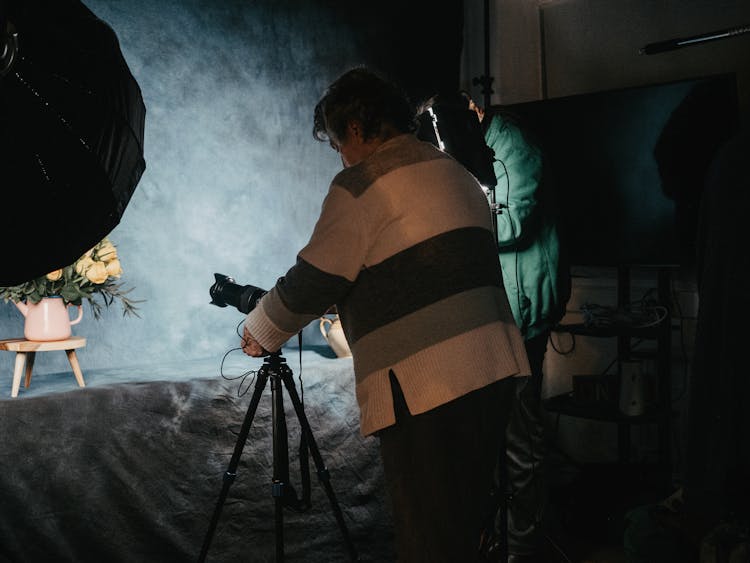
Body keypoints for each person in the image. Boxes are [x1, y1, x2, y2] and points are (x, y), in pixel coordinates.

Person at [240, 66, 531, 562]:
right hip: (494, 369)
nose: (339, 155)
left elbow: (314, 278)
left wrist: (259, 329)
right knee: (465, 526)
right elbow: (421, 268)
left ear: (354, 129)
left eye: (336, 144)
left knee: (429, 535)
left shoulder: (361, 184)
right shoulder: (453, 170)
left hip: (432, 384)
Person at [464, 93, 571, 562]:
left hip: (523, 310)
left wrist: (453, 225)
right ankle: (500, 539)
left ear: (470, 107)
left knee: (519, 434)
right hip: (497, 309)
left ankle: (523, 550)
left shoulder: (512, 144)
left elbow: (514, 225)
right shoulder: (474, 144)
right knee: (495, 432)